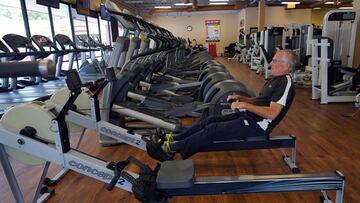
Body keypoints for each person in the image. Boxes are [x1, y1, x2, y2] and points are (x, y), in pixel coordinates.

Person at [153, 49, 298, 160]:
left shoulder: (285, 83)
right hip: (249, 117)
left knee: (213, 130)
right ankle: (175, 138)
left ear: (287, 66)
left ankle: (172, 149)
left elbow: (272, 113)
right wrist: (242, 98)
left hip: (258, 126)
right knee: (210, 120)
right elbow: (261, 100)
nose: (271, 63)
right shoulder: (275, 79)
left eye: (275, 61)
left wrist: (244, 105)